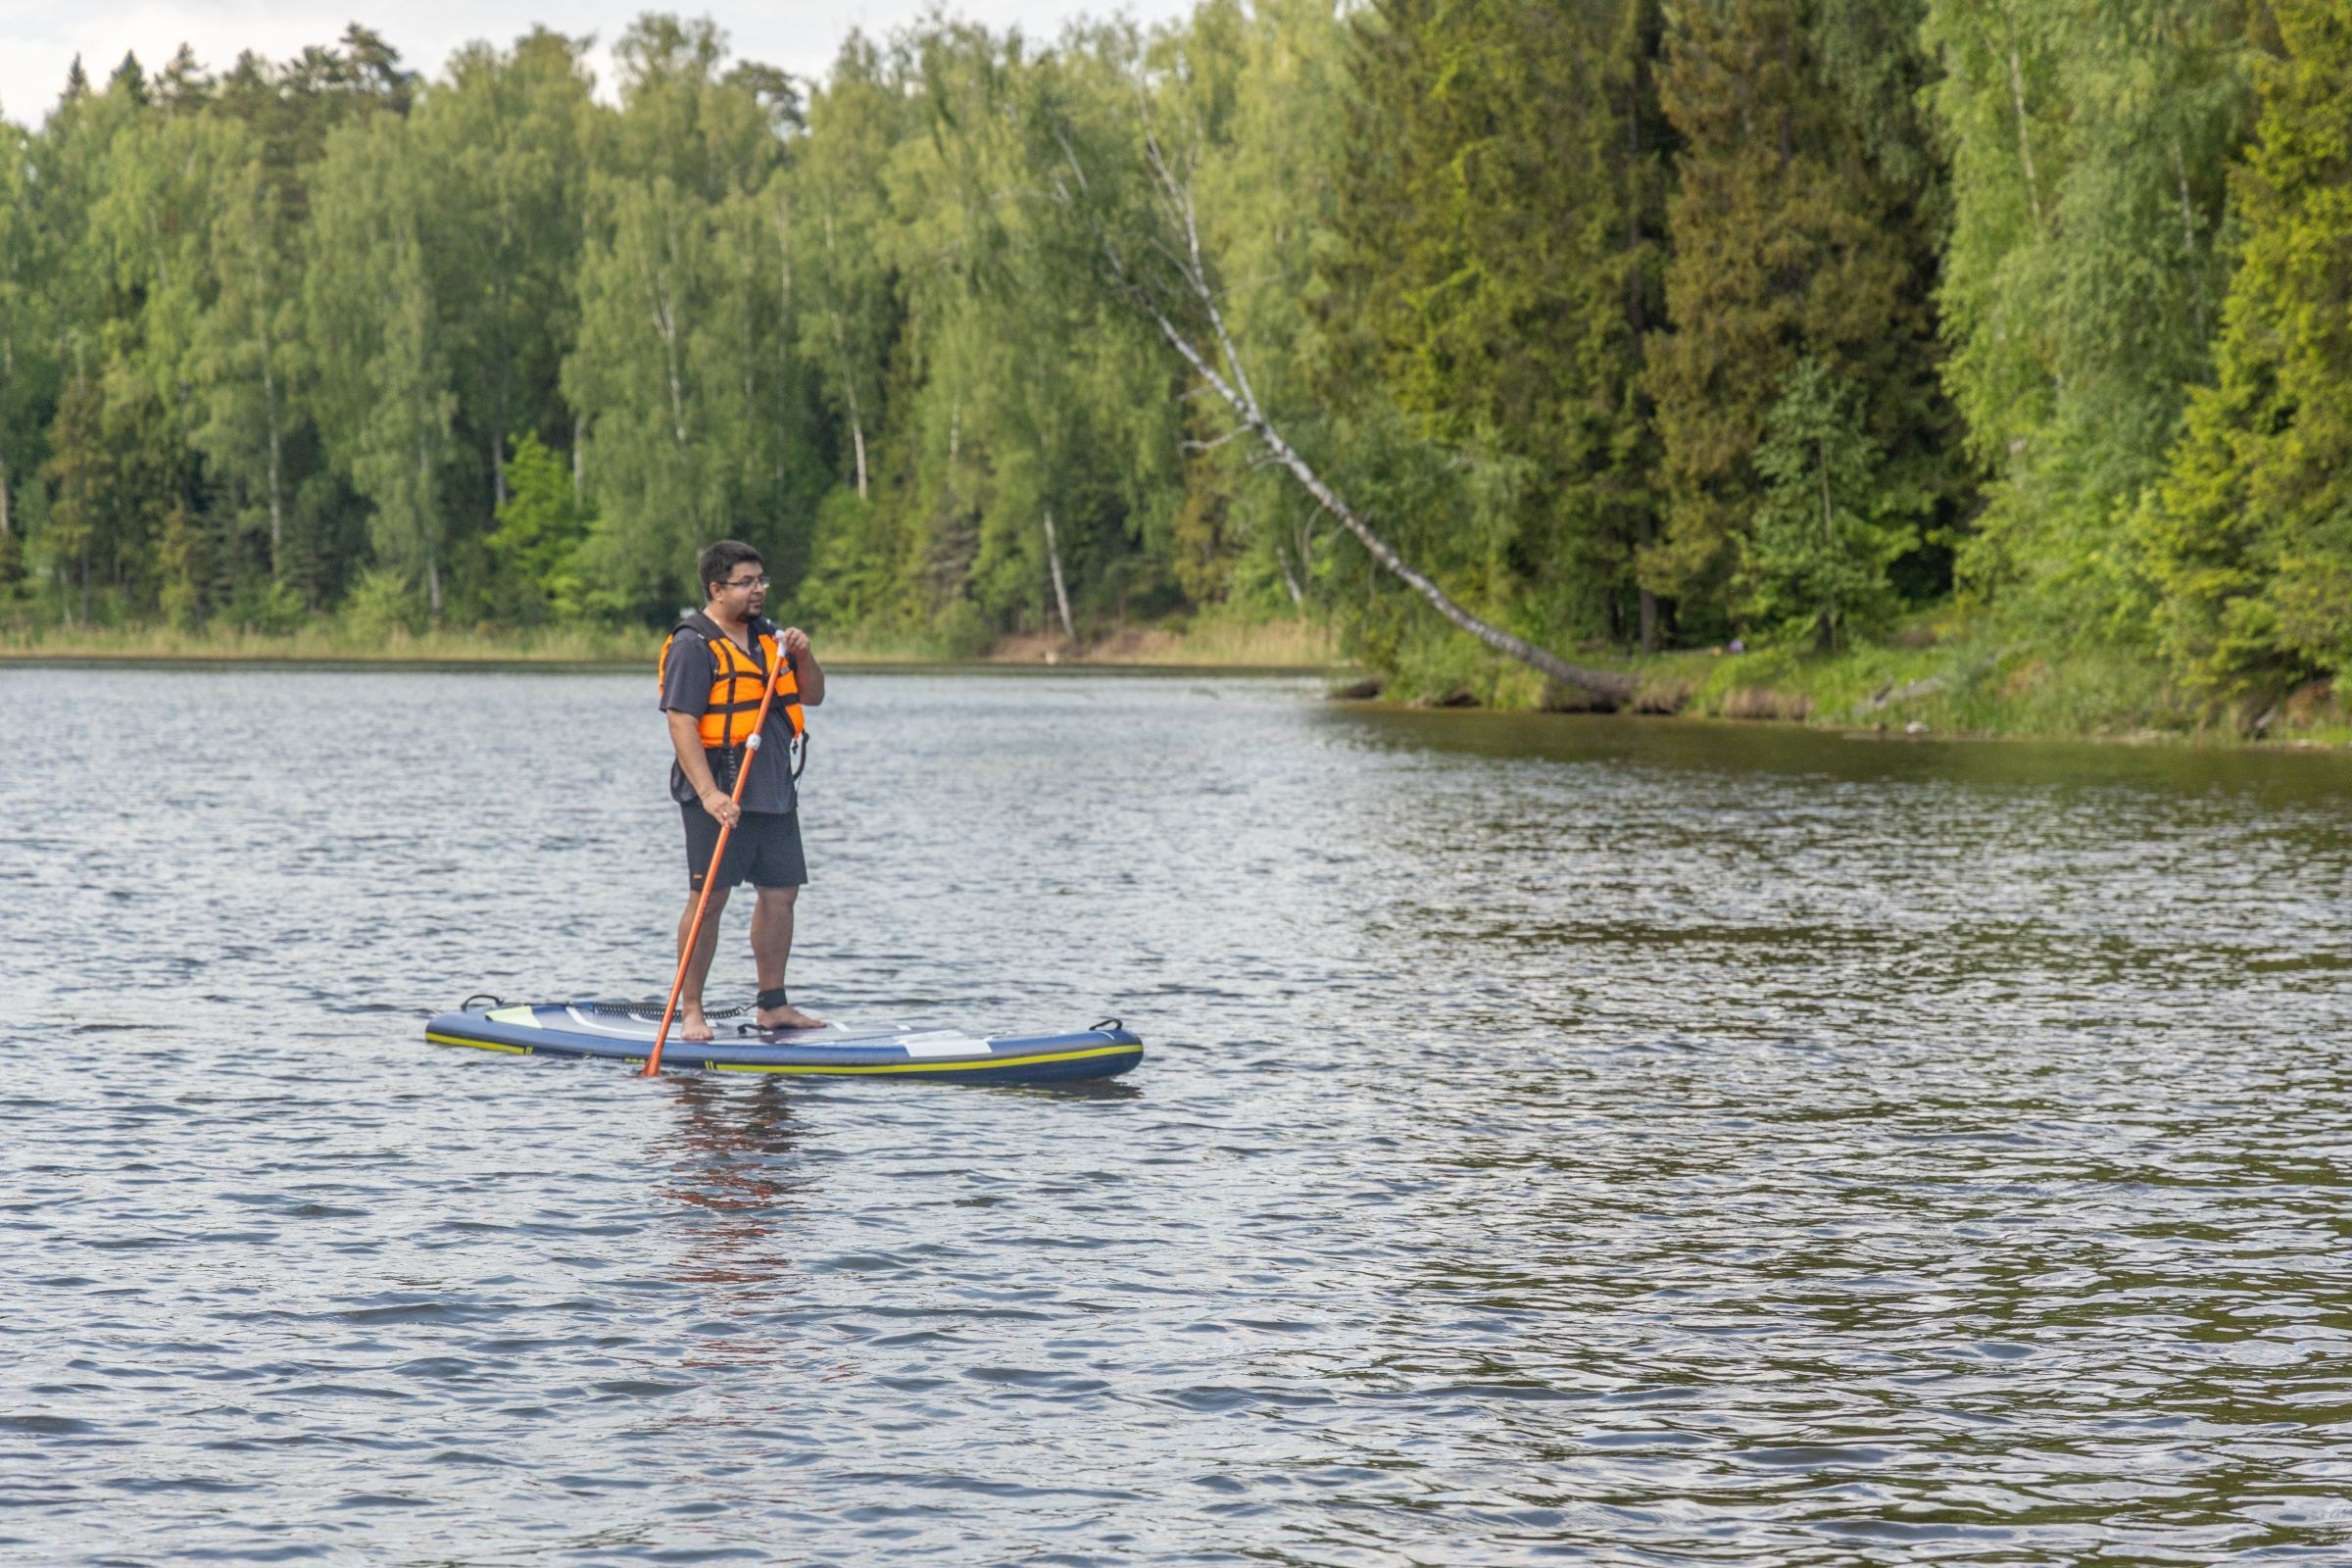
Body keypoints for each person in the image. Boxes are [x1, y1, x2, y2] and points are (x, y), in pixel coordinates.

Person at [658, 540, 827, 1041]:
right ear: (717, 588)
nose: (759, 590)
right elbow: (682, 724)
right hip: (719, 790)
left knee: (781, 894)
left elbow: (812, 695)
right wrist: (709, 794)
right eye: (747, 582)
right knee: (709, 898)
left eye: (761, 580)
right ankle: (691, 1009)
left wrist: (804, 654)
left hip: (772, 788)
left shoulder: (772, 638)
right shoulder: (694, 644)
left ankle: (772, 1005)